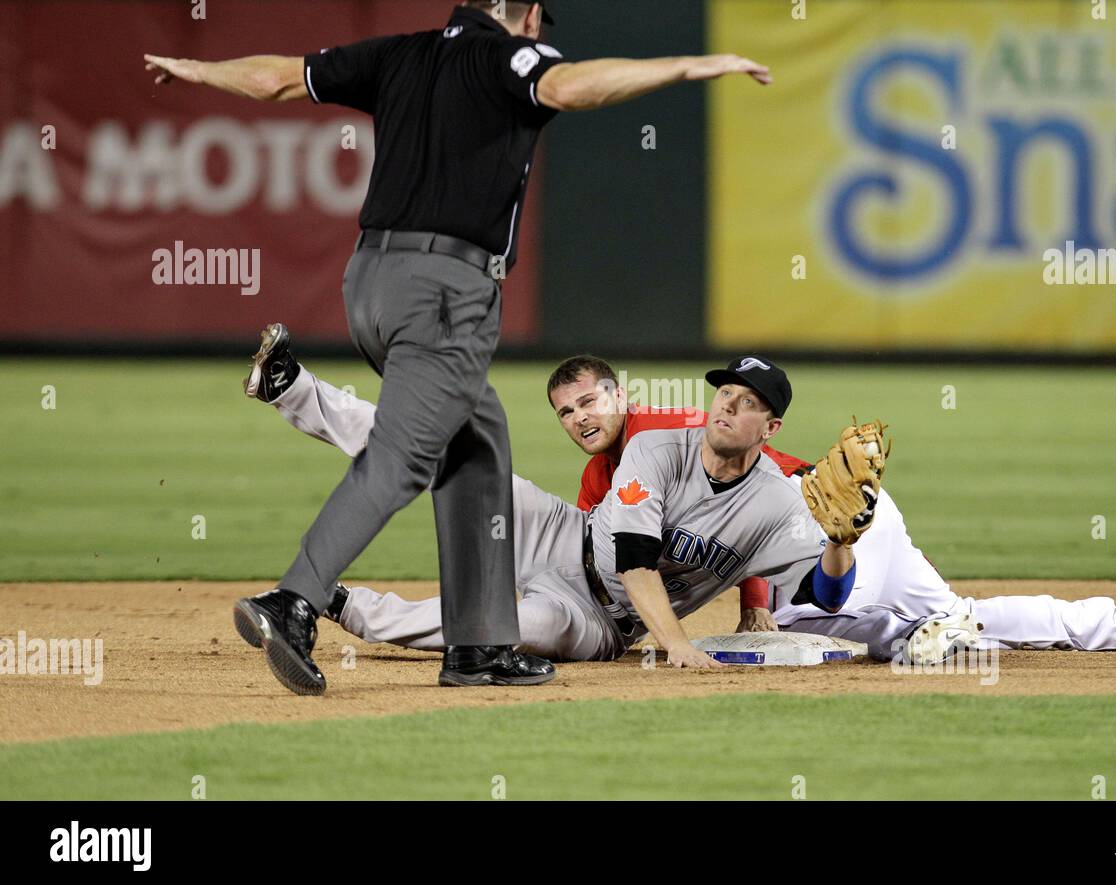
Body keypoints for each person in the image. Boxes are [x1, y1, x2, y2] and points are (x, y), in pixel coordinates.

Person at [144, 1, 772, 694]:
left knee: (479, 442)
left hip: (369, 282)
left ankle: (479, 645)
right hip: (445, 290)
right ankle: (294, 599)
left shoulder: (400, 53)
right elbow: (568, 87)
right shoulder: (509, 58)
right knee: (405, 456)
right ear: (528, 15)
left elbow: (276, 80)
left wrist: (198, 68)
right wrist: (690, 64)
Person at [244, 334, 1116, 665]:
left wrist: (836, 546)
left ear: (767, 420)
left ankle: (344, 609)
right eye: (718, 393)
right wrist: (683, 644)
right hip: (578, 545)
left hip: (595, 614)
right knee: (457, 453)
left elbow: (809, 582)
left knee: (501, 625)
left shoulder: (786, 497)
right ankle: (293, 389)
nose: (722, 409)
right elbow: (632, 553)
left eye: (742, 402)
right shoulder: (653, 444)